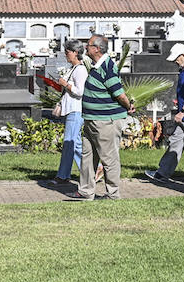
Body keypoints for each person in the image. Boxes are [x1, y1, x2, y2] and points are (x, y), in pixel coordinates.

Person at [69, 35, 136, 201]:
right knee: (87, 157)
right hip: (92, 119)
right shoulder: (96, 65)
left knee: (109, 158)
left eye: (88, 45)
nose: (85, 47)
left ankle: (112, 194)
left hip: (106, 121)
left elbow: (119, 93)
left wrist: (128, 106)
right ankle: (85, 191)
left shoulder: (107, 67)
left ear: (97, 49)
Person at [144, 43, 184, 183]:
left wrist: (183, 111)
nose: (175, 62)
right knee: (176, 142)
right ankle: (162, 173)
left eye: (176, 59)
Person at [50, 40, 89, 185]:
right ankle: (93, 169)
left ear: (75, 53)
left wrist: (65, 84)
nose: (66, 55)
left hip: (75, 110)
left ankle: (63, 175)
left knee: (69, 144)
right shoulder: (74, 68)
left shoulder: (80, 70)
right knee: (75, 144)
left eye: (68, 52)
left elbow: (80, 91)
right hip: (72, 109)